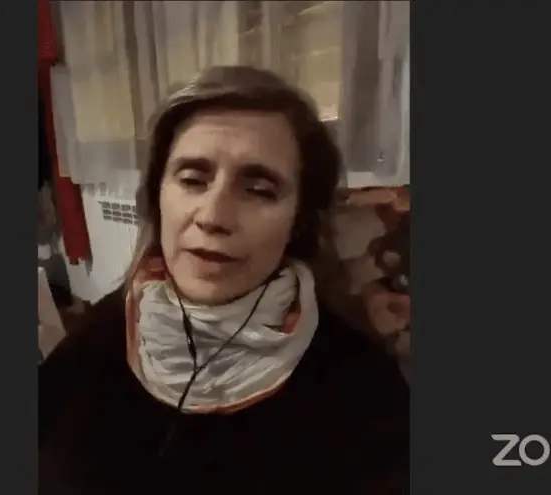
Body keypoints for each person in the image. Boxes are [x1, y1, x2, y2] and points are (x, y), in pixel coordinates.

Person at [39, 66, 409, 494]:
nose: (213, 217)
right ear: (158, 198)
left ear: (300, 221)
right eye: (192, 180)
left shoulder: (365, 396)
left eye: (259, 190)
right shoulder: (85, 353)